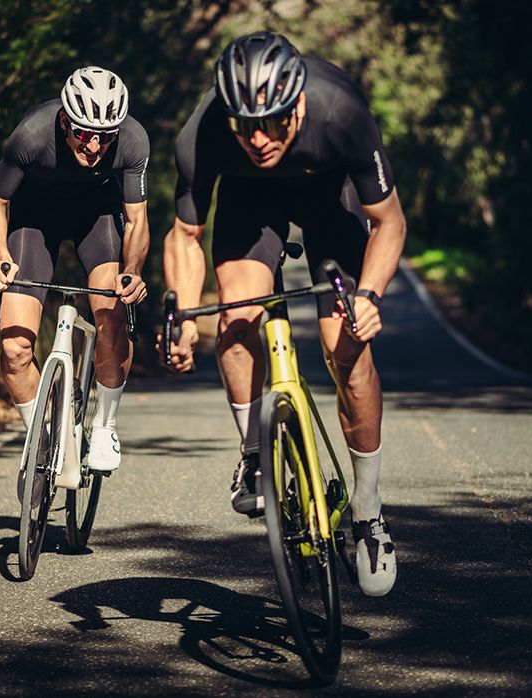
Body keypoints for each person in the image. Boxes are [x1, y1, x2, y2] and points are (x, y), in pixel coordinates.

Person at [163, 33, 404, 596]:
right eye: (245, 125)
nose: (260, 138)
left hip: (329, 195)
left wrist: (368, 295)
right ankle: (253, 453)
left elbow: (389, 222)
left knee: (346, 346)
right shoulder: (200, 136)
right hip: (251, 202)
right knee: (237, 317)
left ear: (297, 103)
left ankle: (367, 514)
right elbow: (186, 235)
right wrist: (182, 316)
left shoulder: (342, 115)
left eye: (272, 122)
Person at [0, 66, 149, 473]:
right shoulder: (31, 134)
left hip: (97, 216)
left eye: (104, 136)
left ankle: (105, 424)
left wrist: (133, 271)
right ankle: (43, 439)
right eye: (83, 133)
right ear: (64, 120)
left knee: (110, 314)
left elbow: (138, 219)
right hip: (35, 217)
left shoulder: (132, 140)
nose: (94, 145)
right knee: (15, 346)